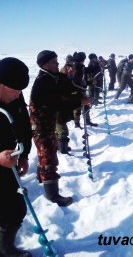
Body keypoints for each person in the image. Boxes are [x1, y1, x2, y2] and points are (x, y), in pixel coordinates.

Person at [29, 50, 73, 207]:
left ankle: (41, 177)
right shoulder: (43, 82)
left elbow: (63, 83)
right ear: (46, 64)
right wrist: (79, 101)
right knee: (49, 157)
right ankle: (53, 196)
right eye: (55, 62)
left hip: (46, 124)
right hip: (41, 126)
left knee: (44, 152)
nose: (58, 64)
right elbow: (58, 102)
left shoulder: (50, 77)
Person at [0, 58, 32, 256]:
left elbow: (23, 128)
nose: (20, 94)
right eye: (15, 90)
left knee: (14, 209)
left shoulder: (16, 98)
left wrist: (25, 155)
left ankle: (5, 248)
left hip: (9, 163)